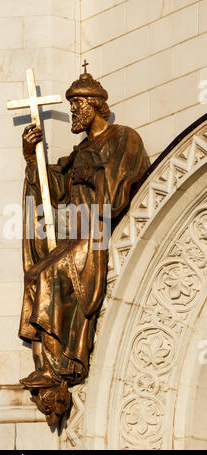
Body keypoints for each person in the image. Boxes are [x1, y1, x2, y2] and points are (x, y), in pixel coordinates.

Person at [18, 69, 150, 424]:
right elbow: (54, 190)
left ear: (95, 105)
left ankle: (63, 363)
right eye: (72, 105)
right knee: (35, 275)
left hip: (95, 235)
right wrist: (32, 159)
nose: (73, 112)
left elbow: (125, 181)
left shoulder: (124, 138)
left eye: (77, 104)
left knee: (48, 276)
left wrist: (91, 173)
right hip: (74, 235)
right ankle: (49, 365)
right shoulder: (79, 152)